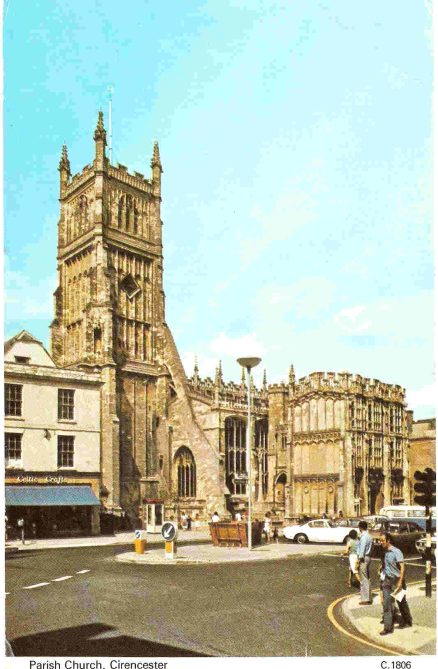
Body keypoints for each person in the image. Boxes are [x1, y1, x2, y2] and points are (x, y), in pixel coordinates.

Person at [379, 532, 413, 635]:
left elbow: (402, 568)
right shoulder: (384, 552)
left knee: (401, 602)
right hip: (387, 580)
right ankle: (388, 628)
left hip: (397, 580)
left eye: (382, 541)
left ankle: (407, 620)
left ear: (388, 540)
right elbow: (384, 565)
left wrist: (399, 582)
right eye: (379, 541)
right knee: (387, 604)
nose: (381, 543)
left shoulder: (397, 552)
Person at [357, 520, 373, 604]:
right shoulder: (369, 536)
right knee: (367, 577)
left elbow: (362, 549)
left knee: (363, 578)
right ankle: (368, 596)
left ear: (360, 528)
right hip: (369, 557)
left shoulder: (363, 537)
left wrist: (359, 559)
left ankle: (366, 598)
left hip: (363, 558)